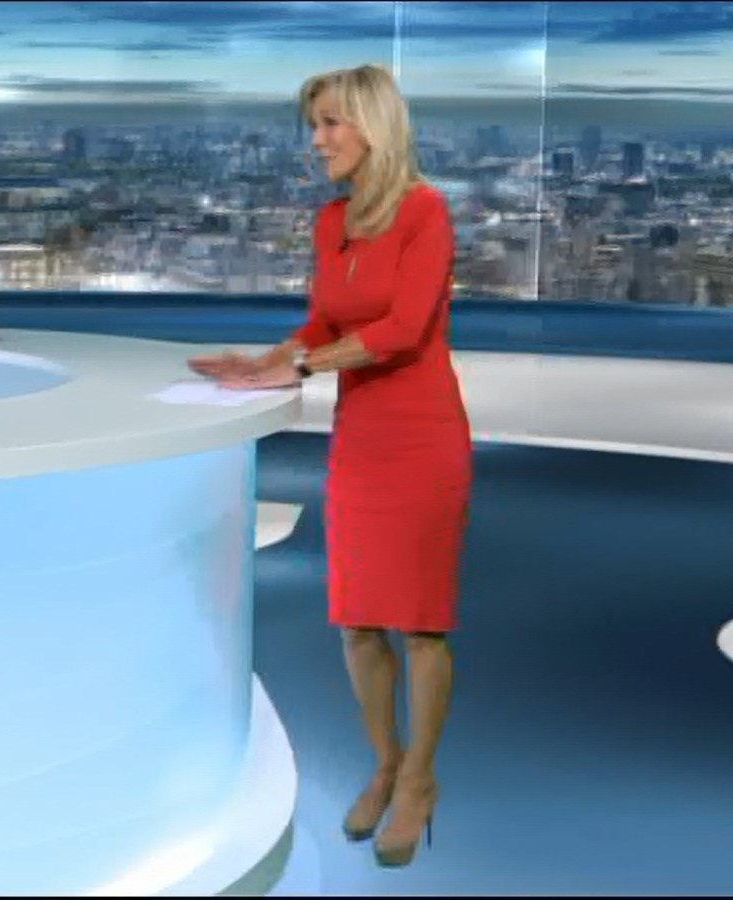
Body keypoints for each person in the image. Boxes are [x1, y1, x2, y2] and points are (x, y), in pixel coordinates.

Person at [190, 64, 469, 869]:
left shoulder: (425, 211)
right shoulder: (333, 221)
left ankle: (419, 780)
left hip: (422, 438)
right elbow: (323, 322)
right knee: (357, 620)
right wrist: (264, 361)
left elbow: (404, 330)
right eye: (313, 125)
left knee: (420, 624)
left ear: (373, 126)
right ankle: (384, 763)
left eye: (330, 124)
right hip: (360, 440)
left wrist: (302, 368)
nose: (316, 141)